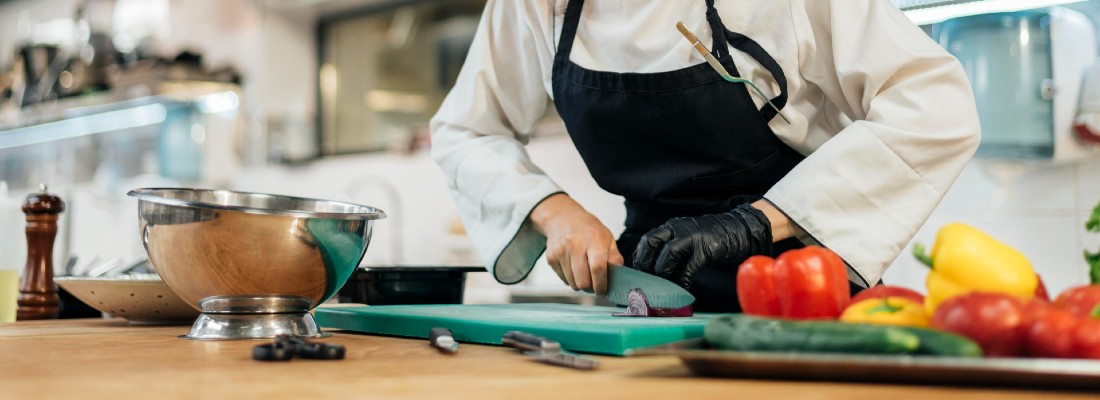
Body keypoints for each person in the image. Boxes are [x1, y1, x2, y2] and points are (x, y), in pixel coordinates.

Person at [430, 0, 980, 312]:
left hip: (805, 294)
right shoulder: (534, 5)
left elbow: (935, 106)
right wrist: (555, 211)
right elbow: (465, 129)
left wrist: (752, 224)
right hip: (644, 306)